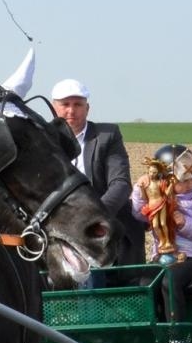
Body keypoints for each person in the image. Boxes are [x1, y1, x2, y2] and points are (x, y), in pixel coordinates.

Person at [51, 78, 145, 267]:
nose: (71, 110)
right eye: (65, 104)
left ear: (87, 108)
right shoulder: (44, 139)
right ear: (54, 108)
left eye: (78, 104)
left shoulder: (107, 136)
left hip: (107, 221)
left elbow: (120, 183)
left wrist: (94, 219)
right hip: (61, 226)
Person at [129, 145, 192, 303]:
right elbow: (139, 215)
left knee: (170, 281)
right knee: (145, 284)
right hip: (162, 256)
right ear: (166, 180)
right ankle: (154, 325)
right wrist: (139, 189)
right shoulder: (158, 196)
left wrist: (185, 224)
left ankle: (175, 327)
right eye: (182, 181)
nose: (190, 183)